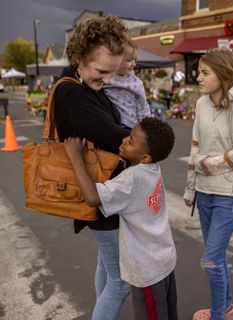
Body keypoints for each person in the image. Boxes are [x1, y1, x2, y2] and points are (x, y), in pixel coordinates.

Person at [54, 16, 131, 320]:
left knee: (106, 267)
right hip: (99, 193)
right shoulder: (71, 92)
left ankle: (103, 309)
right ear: (78, 59)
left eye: (112, 72)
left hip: (104, 190)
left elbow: (112, 126)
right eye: (102, 71)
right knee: (121, 282)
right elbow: (113, 134)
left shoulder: (86, 85)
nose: (108, 79)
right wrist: (145, 137)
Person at [64, 117, 178, 320]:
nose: (124, 140)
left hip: (147, 270)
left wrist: (75, 158)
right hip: (164, 258)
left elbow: (92, 197)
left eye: (131, 141)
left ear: (145, 158)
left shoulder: (131, 179)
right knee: (167, 312)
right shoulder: (153, 169)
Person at [183, 48, 233, 320]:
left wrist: (205, 164)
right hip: (204, 193)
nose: (198, 78)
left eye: (205, 73)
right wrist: (191, 188)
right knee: (217, 257)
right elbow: (195, 146)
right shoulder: (202, 104)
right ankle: (225, 308)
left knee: (211, 260)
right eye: (198, 72)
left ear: (222, 74)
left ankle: (217, 315)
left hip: (229, 193)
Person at [103, 38, 150, 129]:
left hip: (131, 127)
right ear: (116, 60)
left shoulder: (136, 83)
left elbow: (143, 107)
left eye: (135, 60)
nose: (134, 64)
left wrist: (145, 127)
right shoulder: (106, 77)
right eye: (129, 60)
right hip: (110, 125)